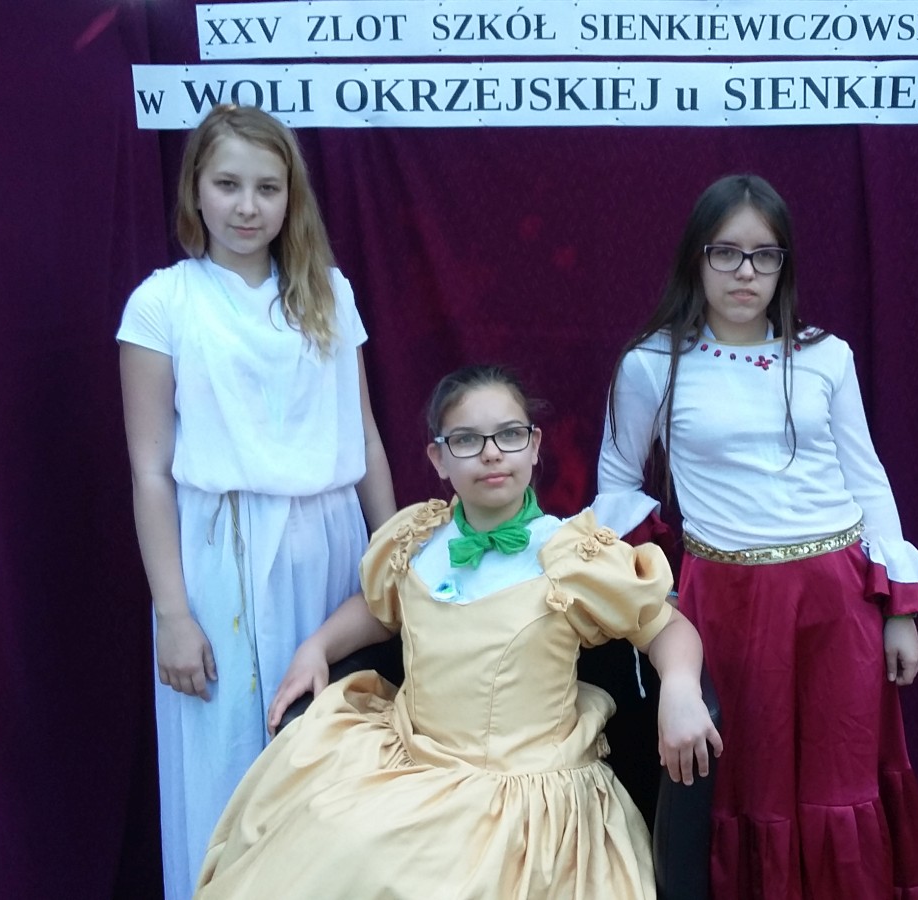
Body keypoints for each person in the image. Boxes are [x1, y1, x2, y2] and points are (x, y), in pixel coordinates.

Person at [194, 365, 722, 899]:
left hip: (519, 795)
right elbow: (379, 612)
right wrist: (318, 647)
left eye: (509, 435)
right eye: (467, 440)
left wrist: (680, 687)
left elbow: (666, 628)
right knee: (323, 839)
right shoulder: (419, 540)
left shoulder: (572, 555)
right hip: (411, 761)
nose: (491, 454)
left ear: (534, 446)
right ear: (439, 459)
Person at [597, 173, 918, 900]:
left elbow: (867, 478)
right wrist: (647, 603)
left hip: (836, 600)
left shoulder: (826, 356)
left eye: (765, 255)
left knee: (838, 775)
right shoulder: (651, 364)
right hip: (726, 606)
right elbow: (618, 485)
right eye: (726, 253)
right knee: (746, 779)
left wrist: (900, 612)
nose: (745, 272)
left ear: (784, 265)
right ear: (696, 258)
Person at [116, 104, 397, 900]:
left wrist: (395, 556)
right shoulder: (164, 304)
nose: (248, 206)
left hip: (332, 542)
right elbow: (150, 471)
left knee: (329, 752)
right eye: (228, 185)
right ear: (195, 190)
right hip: (221, 553)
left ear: (290, 196)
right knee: (229, 762)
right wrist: (173, 613)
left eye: (267, 188)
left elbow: (365, 436)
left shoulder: (328, 294)